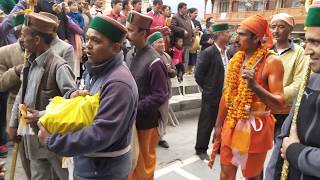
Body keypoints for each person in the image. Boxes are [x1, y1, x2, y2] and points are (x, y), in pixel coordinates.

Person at [38, 15, 138, 180]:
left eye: (96, 41)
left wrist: (52, 141)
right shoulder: (96, 70)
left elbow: (100, 134)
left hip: (103, 172)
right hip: (90, 166)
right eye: (87, 38)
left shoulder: (118, 84)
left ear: (115, 47)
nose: (87, 45)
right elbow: (86, 109)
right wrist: (73, 95)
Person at [212, 15, 285, 179]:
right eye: (236, 34)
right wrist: (218, 126)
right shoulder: (235, 60)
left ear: (256, 37)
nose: (235, 39)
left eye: (241, 34)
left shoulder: (272, 62)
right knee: (225, 174)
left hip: (255, 130)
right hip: (231, 125)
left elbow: (280, 103)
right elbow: (227, 94)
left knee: (252, 177)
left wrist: (255, 87)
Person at [9, 12, 76, 180]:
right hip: (33, 138)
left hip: (55, 139)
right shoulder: (29, 63)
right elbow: (21, 95)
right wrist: (13, 123)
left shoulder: (59, 67)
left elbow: (71, 104)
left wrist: (41, 115)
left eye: (24, 36)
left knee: (65, 177)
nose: (21, 40)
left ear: (37, 40)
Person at [265, 2, 320, 179]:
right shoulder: (265, 54)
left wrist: (296, 152)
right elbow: (283, 142)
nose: (307, 51)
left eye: (316, 42)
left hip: (282, 107)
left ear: (289, 30)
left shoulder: (298, 55)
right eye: (273, 27)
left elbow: (297, 85)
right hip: (267, 111)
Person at [126, 11, 168, 180]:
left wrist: (134, 109)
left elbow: (160, 95)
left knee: (144, 168)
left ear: (143, 33)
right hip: (131, 121)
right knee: (130, 165)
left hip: (146, 123)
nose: (127, 34)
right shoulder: (129, 55)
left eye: (130, 30)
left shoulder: (155, 61)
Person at [270, 13, 309, 142]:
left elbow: (299, 82)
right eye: (273, 26)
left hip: (284, 111)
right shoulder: (266, 50)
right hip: (263, 110)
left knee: (279, 151)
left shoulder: (299, 52)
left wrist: (273, 97)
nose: (276, 31)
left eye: (281, 27)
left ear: (290, 30)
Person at [194, 23, 231, 160]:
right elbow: (198, 74)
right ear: (220, 35)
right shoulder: (208, 52)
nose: (229, 34)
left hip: (225, 95)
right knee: (206, 122)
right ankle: (201, 149)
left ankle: (219, 145)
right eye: (227, 32)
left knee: (223, 122)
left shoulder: (228, 52)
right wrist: (209, 88)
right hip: (212, 95)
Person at [147, 31, 177, 148]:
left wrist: (169, 71)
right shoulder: (149, 57)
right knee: (152, 117)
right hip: (151, 93)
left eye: (163, 41)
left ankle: (160, 137)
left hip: (164, 93)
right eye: (159, 42)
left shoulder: (167, 56)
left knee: (163, 117)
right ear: (152, 45)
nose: (163, 44)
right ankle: (150, 138)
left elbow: (174, 72)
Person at [170, 2, 193, 67]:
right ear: (180, 9)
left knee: (186, 60)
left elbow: (190, 27)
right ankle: (179, 74)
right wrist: (183, 31)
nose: (186, 9)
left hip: (188, 42)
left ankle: (182, 73)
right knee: (180, 61)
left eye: (186, 8)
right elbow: (173, 27)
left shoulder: (188, 17)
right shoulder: (175, 17)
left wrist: (192, 35)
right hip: (181, 43)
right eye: (184, 8)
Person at [188, 7, 201, 74]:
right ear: (190, 13)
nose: (196, 14)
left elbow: (200, 32)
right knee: (187, 57)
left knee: (193, 58)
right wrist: (193, 31)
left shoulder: (197, 22)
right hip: (188, 42)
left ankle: (191, 71)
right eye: (195, 13)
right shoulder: (187, 21)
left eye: (197, 13)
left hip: (195, 43)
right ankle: (187, 71)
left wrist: (197, 32)